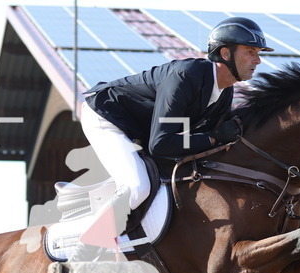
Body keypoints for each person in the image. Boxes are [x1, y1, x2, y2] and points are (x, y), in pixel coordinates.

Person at [81, 17, 273, 215]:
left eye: (258, 54)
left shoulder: (225, 92)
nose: (258, 60)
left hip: (139, 128)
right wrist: (214, 137)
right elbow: (161, 144)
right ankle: (87, 244)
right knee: (138, 188)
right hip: (107, 117)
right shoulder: (186, 77)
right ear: (225, 53)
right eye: (250, 52)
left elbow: (193, 142)